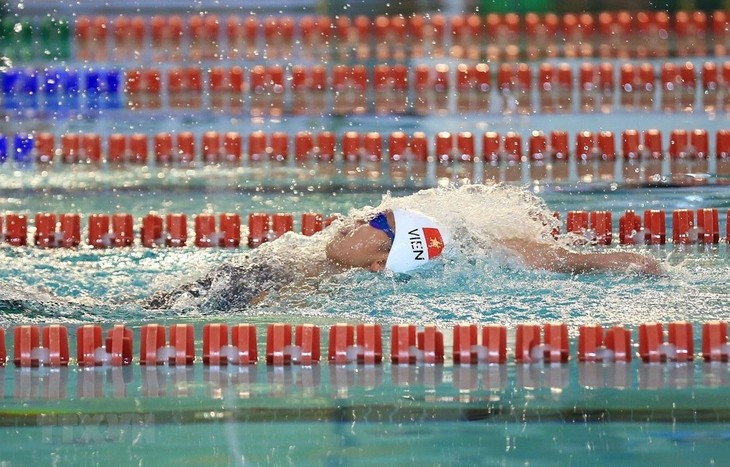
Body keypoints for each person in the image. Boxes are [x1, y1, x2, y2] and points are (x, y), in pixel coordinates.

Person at [146, 185, 662, 311]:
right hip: (276, 272)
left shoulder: (486, 245)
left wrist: (640, 264)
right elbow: (572, 260)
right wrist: (640, 264)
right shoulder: (489, 246)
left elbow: (575, 260)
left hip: (273, 272)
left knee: (167, 307)